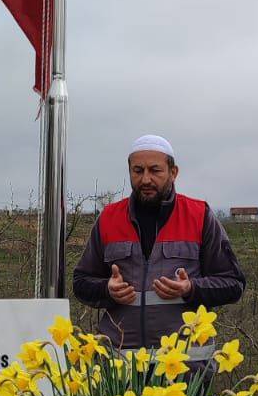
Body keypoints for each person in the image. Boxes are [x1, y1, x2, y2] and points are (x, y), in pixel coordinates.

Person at [72, 135, 246, 351]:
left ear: (173, 173)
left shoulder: (199, 215)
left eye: (155, 170)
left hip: (185, 371)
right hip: (120, 370)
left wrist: (191, 288)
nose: (145, 179)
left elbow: (233, 284)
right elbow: (80, 283)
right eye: (138, 171)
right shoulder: (109, 218)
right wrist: (106, 289)